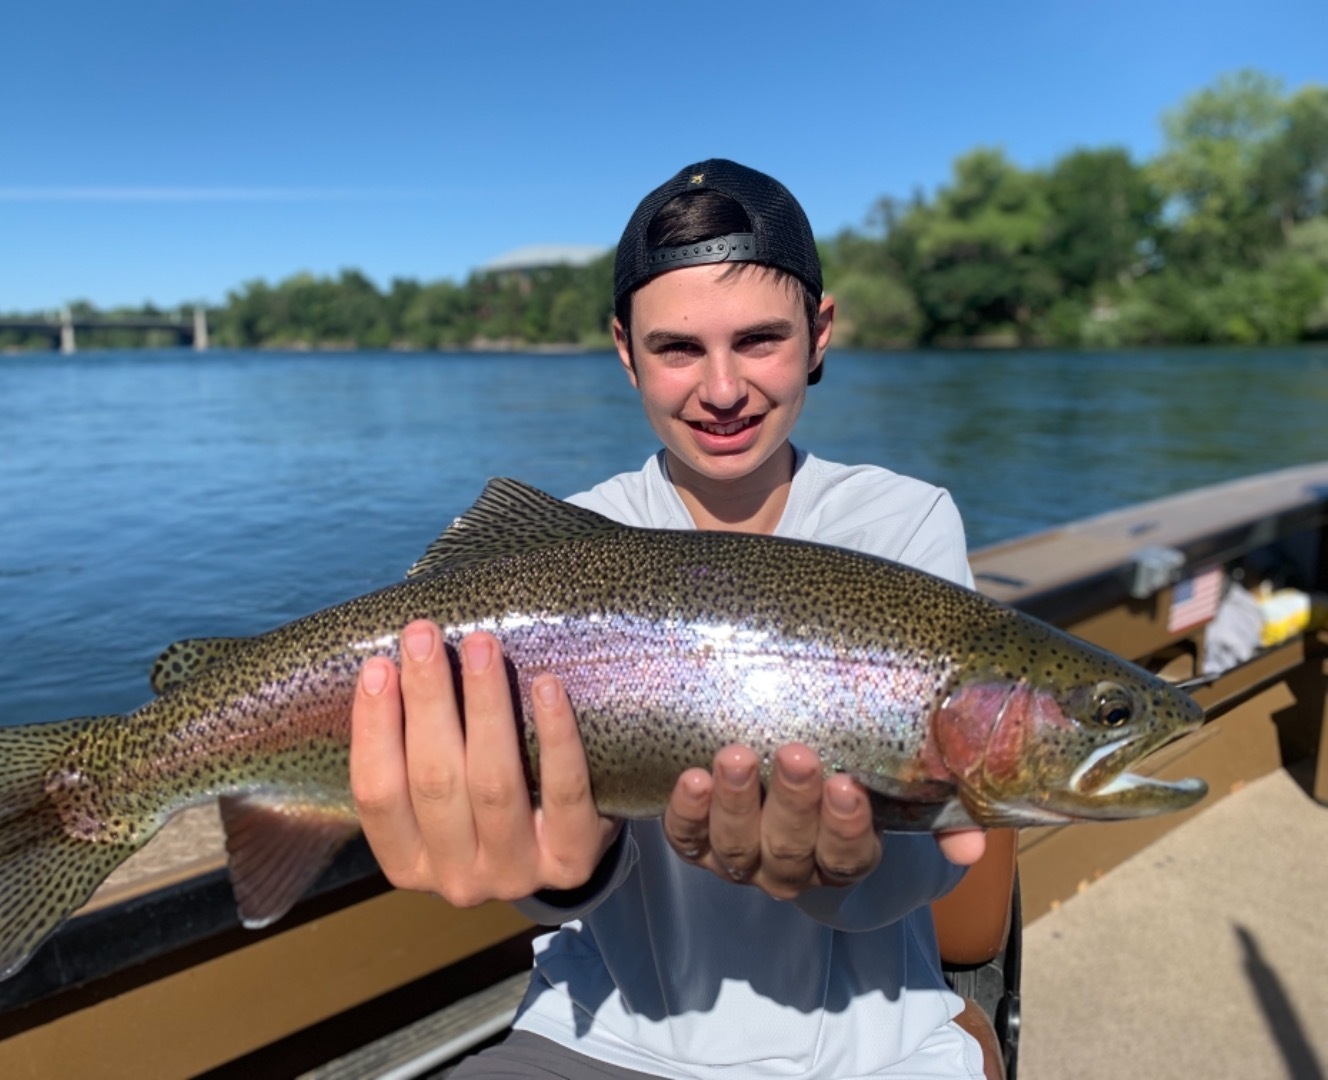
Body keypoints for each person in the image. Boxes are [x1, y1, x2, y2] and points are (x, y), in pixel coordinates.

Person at [349, 159, 989, 1078]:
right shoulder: (563, 553)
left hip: (869, 1040)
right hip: (598, 1030)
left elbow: (926, 861)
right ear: (625, 351)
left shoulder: (904, 524)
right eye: (678, 349)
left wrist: (835, 866)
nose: (722, 389)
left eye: (760, 340)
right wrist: (557, 871)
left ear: (820, 332)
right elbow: (556, 874)